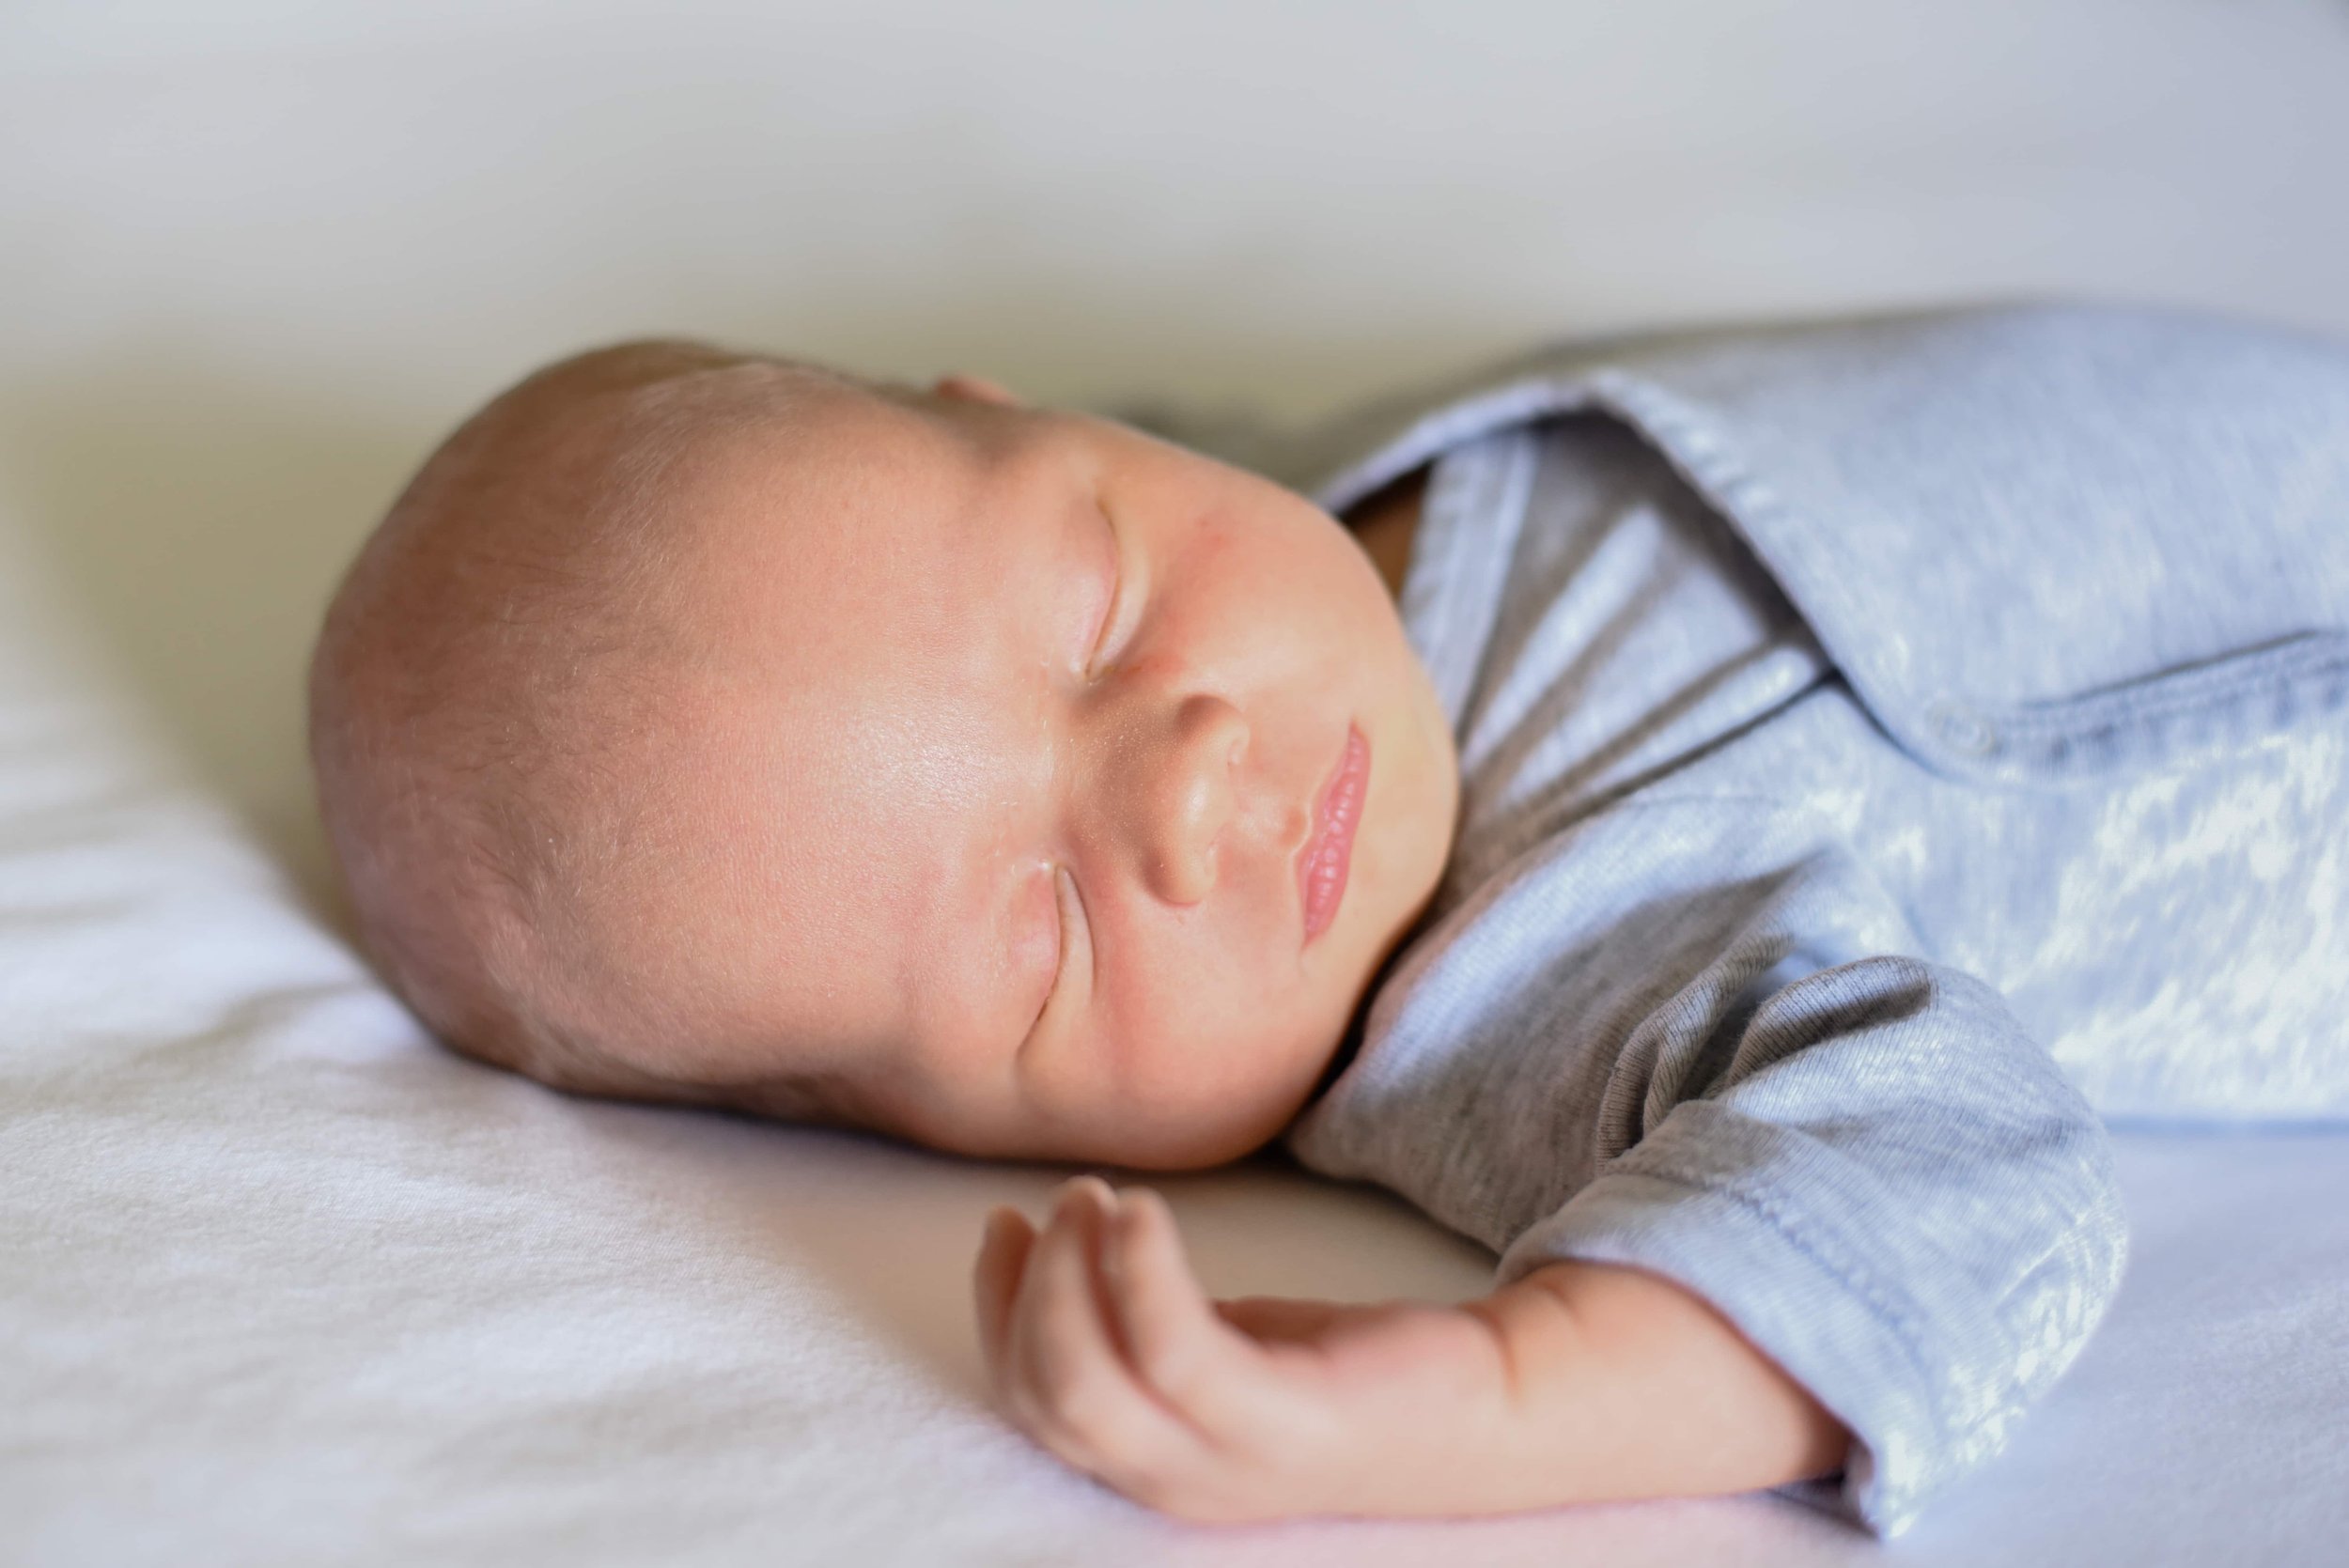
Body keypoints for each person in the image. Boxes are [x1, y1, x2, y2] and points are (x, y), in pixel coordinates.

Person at [307, 302, 2349, 1535]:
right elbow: (1952, 1195)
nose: (1187, 788)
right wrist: (1467, 1407)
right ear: (950, 1146)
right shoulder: (1543, 970)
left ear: (1031, 409)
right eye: (1042, 938)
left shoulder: (1300, 495)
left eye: (1096, 604)